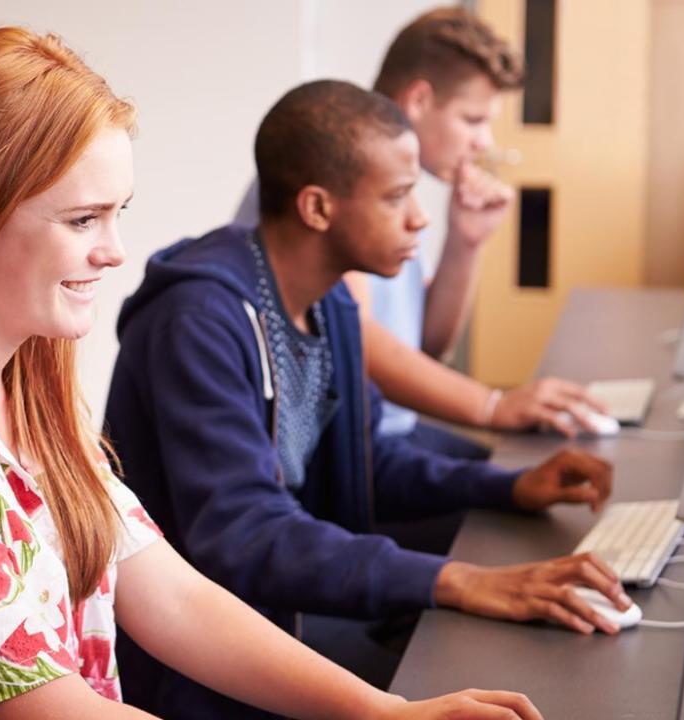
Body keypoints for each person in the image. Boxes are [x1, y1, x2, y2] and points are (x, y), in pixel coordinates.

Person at [0, 27, 544, 720]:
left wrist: (385, 712)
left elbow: (170, 595)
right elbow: (46, 706)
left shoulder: (22, 377)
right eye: (83, 220)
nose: (116, 250)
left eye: (118, 213)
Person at [106, 79, 630, 720]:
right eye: (398, 196)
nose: (421, 217)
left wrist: (508, 486)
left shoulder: (326, 304)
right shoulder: (199, 318)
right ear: (318, 208)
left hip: (285, 624)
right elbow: (243, 533)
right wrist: (460, 580)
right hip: (204, 674)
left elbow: (366, 457)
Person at [235, 8, 604, 448]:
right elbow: (358, 338)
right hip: (343, 450)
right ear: (420, 100)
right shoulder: (340, 175)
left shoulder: (397, 189)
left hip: (389, 434)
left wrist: (466, 242)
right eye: (473, 119)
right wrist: (492, 405)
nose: (485, 141)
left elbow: (426, 344)